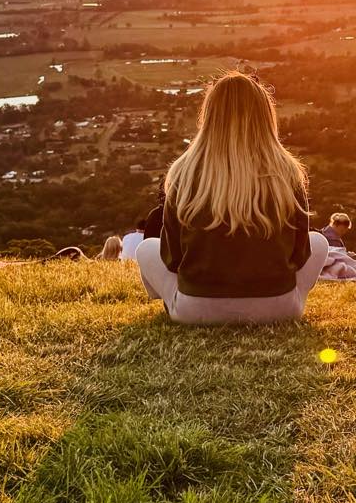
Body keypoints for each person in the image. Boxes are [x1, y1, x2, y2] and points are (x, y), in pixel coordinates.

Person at [135, 72, 327, 324]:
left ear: (210, 115)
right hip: (279, 307)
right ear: (264, 116)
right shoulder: (288, 172)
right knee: (320, 242)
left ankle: (170, 304)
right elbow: (299, 255)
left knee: (146, 248)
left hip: (196, 310)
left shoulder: (184, 172)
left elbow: (172, 259)